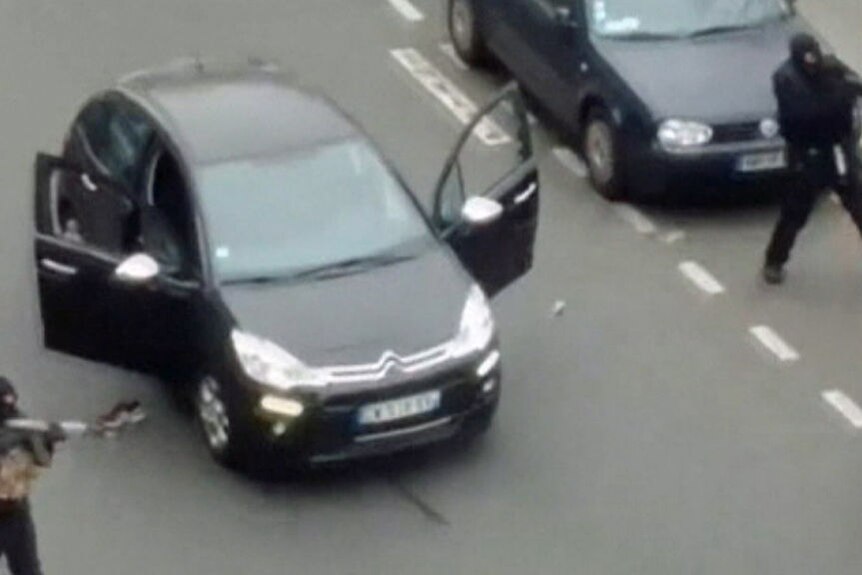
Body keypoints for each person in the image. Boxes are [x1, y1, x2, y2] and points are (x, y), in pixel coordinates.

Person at [763, 33, 862, 284]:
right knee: (795, 212)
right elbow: (804, 114)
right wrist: (841, 96)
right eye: (806, 56)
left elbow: (854, 84)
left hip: (838, 148)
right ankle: (774, 261)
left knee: (859, 203)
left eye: (814, 54)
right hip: (808, 155)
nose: (812, 61)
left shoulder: (832, 68)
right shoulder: (786, 79)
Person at [0, 377, 61, 575]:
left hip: (16, 513)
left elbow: (42, 460)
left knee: (28, 570)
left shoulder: (23, 426)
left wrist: (49, 441)